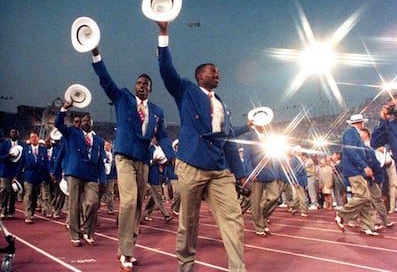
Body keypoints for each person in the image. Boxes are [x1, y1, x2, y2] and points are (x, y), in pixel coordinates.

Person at [156, 21, 247, 272]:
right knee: (189, 222)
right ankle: (185, 266)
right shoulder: (186, 90)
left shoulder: (222, 104)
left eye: (217, 72)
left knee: (233, 219)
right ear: (199, 76)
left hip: (219, 170)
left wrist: (240, 175)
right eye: (212, 71)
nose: (217, 74)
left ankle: (238, 269)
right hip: (191, 165)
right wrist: (163, 34)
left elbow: (228, 142)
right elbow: (166, 71)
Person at [90, 46, 174, 272]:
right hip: (124, 156)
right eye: (139, 83)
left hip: (144, 160)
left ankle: (128, 247)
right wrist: (96, 54)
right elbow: (106, 81)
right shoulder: (123, 98)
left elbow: (163, 135)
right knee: (128, 201)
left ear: (151, 89)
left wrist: (172, 156)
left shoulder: (157, 110)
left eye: (146, 84)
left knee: (137, 206)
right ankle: (126, 251)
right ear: (135, 86)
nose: (142, 86)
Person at [370, 93, 397, 271]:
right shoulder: (391, 125)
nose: (394, 110)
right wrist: (383, 121)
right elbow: (375, 143)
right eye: (391, 107)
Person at [54, 105, 106, 247]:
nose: (85, 122)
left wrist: (103, 180)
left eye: (88, 121)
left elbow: (101, 162)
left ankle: (87, 231)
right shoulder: (72, 133)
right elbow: (58, 124)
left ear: (92, 123)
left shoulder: (99, 141)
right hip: (75, 172)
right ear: (80, 124)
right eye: (83, 121)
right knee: (74, 205)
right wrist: (64, 109)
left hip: (91, 175)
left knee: (93, 202)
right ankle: (75, 235)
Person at [334, 114, 378, 236]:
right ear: (361, 122)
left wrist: (367, 168)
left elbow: (363, 153)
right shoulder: (350, 133)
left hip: (358, 170)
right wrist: (364, 166)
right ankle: (341, 214)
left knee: (366, 199)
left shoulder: (354, 133)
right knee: (363, 196)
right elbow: (351, 151)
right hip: (354, 170)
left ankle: (367, 226)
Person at [242, 124, 280, 237]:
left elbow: (274, 157)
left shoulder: (269, 137)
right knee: (256, 202)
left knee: (275, 196)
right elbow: (246, 156)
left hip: (269, 172)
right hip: (255, 173)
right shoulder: (249, 136)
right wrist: (250, 172)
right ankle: (259, 226)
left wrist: (276, 173)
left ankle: (263, 219)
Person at [359, 128, 394, 229]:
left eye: (361, 134)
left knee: (375, 200)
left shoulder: (373, 146)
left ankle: (377, 221)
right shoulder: (362, 147)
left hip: (377, 175)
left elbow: (387, 161)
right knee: (373, 200)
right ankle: (379, 221)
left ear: (366, 134)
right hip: (370, 176)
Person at [16, 131, 49, 224]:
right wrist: (16, 176)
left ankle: (32, 211)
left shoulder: (43, 150)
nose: (33, 139)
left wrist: (51, 173)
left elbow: (47, 163)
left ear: (38, 138)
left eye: (34, 137)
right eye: (31, 137)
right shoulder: (26, 150)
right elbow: (21, 164)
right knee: (28, 195)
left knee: (35, 196)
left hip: (38, 177)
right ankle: (28, 215)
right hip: (28, 176)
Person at [0, 128, 24, 219]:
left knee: (14, 192)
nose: (14, 134)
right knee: (5, 190)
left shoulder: (22, 145)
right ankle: (3, 210)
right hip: (5, 172)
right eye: (12, 132)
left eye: (16, 132)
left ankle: (11, 211)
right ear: (10, 133)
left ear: (18, 134)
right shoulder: (3, 145)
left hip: (15, 172)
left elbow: (22, 161)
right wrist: (8, 156)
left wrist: (18, 174)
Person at [103, 140, 117, 215]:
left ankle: (110, 209)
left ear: (110, 145)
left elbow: (115, 167)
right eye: (105, 145)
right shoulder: (102, 154)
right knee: (99, 192)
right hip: (102, 176)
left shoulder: (113, 156)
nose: (106, 146)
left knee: (110, 193)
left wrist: (115, 177)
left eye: (107, 145)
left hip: (110, 176)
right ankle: (96, 207)